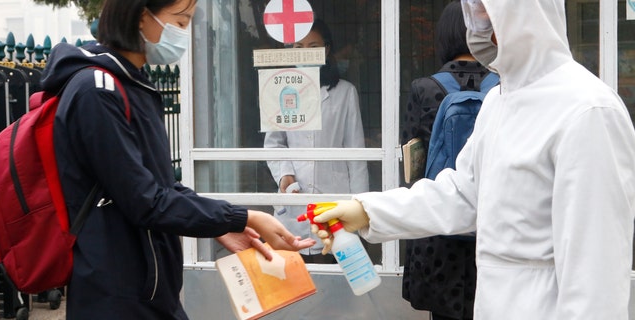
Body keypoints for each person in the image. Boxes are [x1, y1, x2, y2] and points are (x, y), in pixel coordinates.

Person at [312, 0, 635, 319]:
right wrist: (368, 212)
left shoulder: (588, 111)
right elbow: (463, 194)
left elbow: (597, 277)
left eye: (486, 7)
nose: (476, 22)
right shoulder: (498, 101)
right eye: (472, 9)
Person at [40, 0, 315, 318]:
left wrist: (220, 226)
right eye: (181, 21)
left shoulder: (134, 85)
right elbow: (146, 201)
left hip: (150, 289)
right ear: (142, 16)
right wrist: (244, 217)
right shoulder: (97, 92)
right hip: (115, 295)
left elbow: (163, 186)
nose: (185, 34)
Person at [400, 2, 493, 319]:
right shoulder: (504, 87)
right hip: (492, 226)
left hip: (439, 229)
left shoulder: (424, 89)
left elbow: (412, 168)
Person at [264, 19, 369, 263]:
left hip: (335, 201)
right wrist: (285, 174)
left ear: (327, 50)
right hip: (293, 202)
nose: (305, 53)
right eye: (298, 47)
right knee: (293, 279)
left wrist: (361, 207)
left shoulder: (344, 92)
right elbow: (274, 143)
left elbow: (356, 153)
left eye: (313, 46)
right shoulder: (280, 90)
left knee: (336, 278)